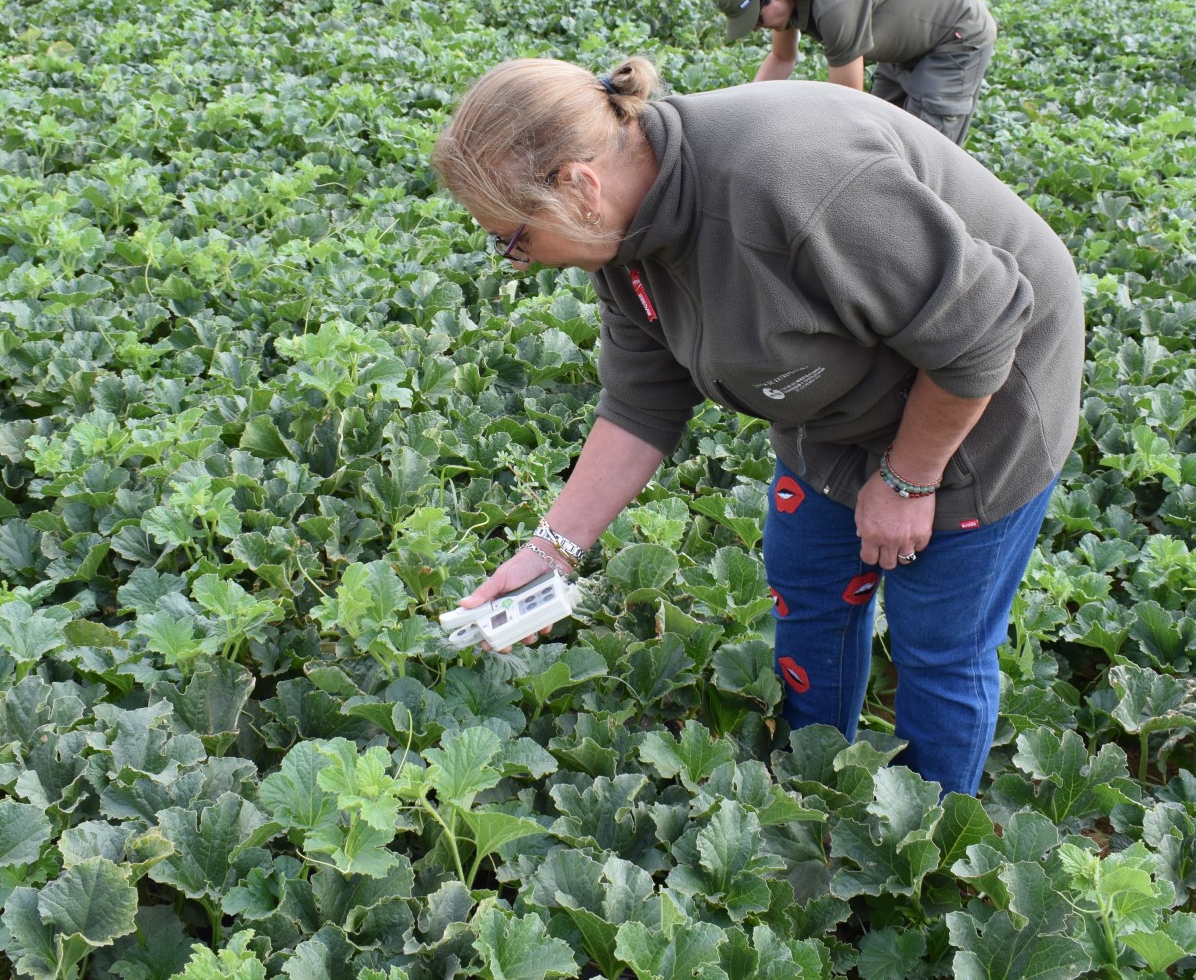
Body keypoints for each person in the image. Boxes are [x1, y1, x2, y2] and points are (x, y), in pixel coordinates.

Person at [431, 56, 1083, 797]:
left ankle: (929, 850)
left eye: (514, 239)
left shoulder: (794, 182)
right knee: (809, 596)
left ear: (580, 185)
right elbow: (642, 403)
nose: (518, 262)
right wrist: (551, 552)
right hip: (840, 398)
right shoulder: (620, 238)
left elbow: (983, 325)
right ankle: (814, 796)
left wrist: (908, 478)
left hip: (982, 399)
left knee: (938, 647)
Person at [708, 0, 997, 145]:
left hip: (954, 37)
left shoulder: (835, 4)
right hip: (904, 41)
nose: (757, 28)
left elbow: (849, 111)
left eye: (756, 20)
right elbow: (782, 58)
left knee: (925, 156)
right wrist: (741, 119)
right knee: (885, 141)